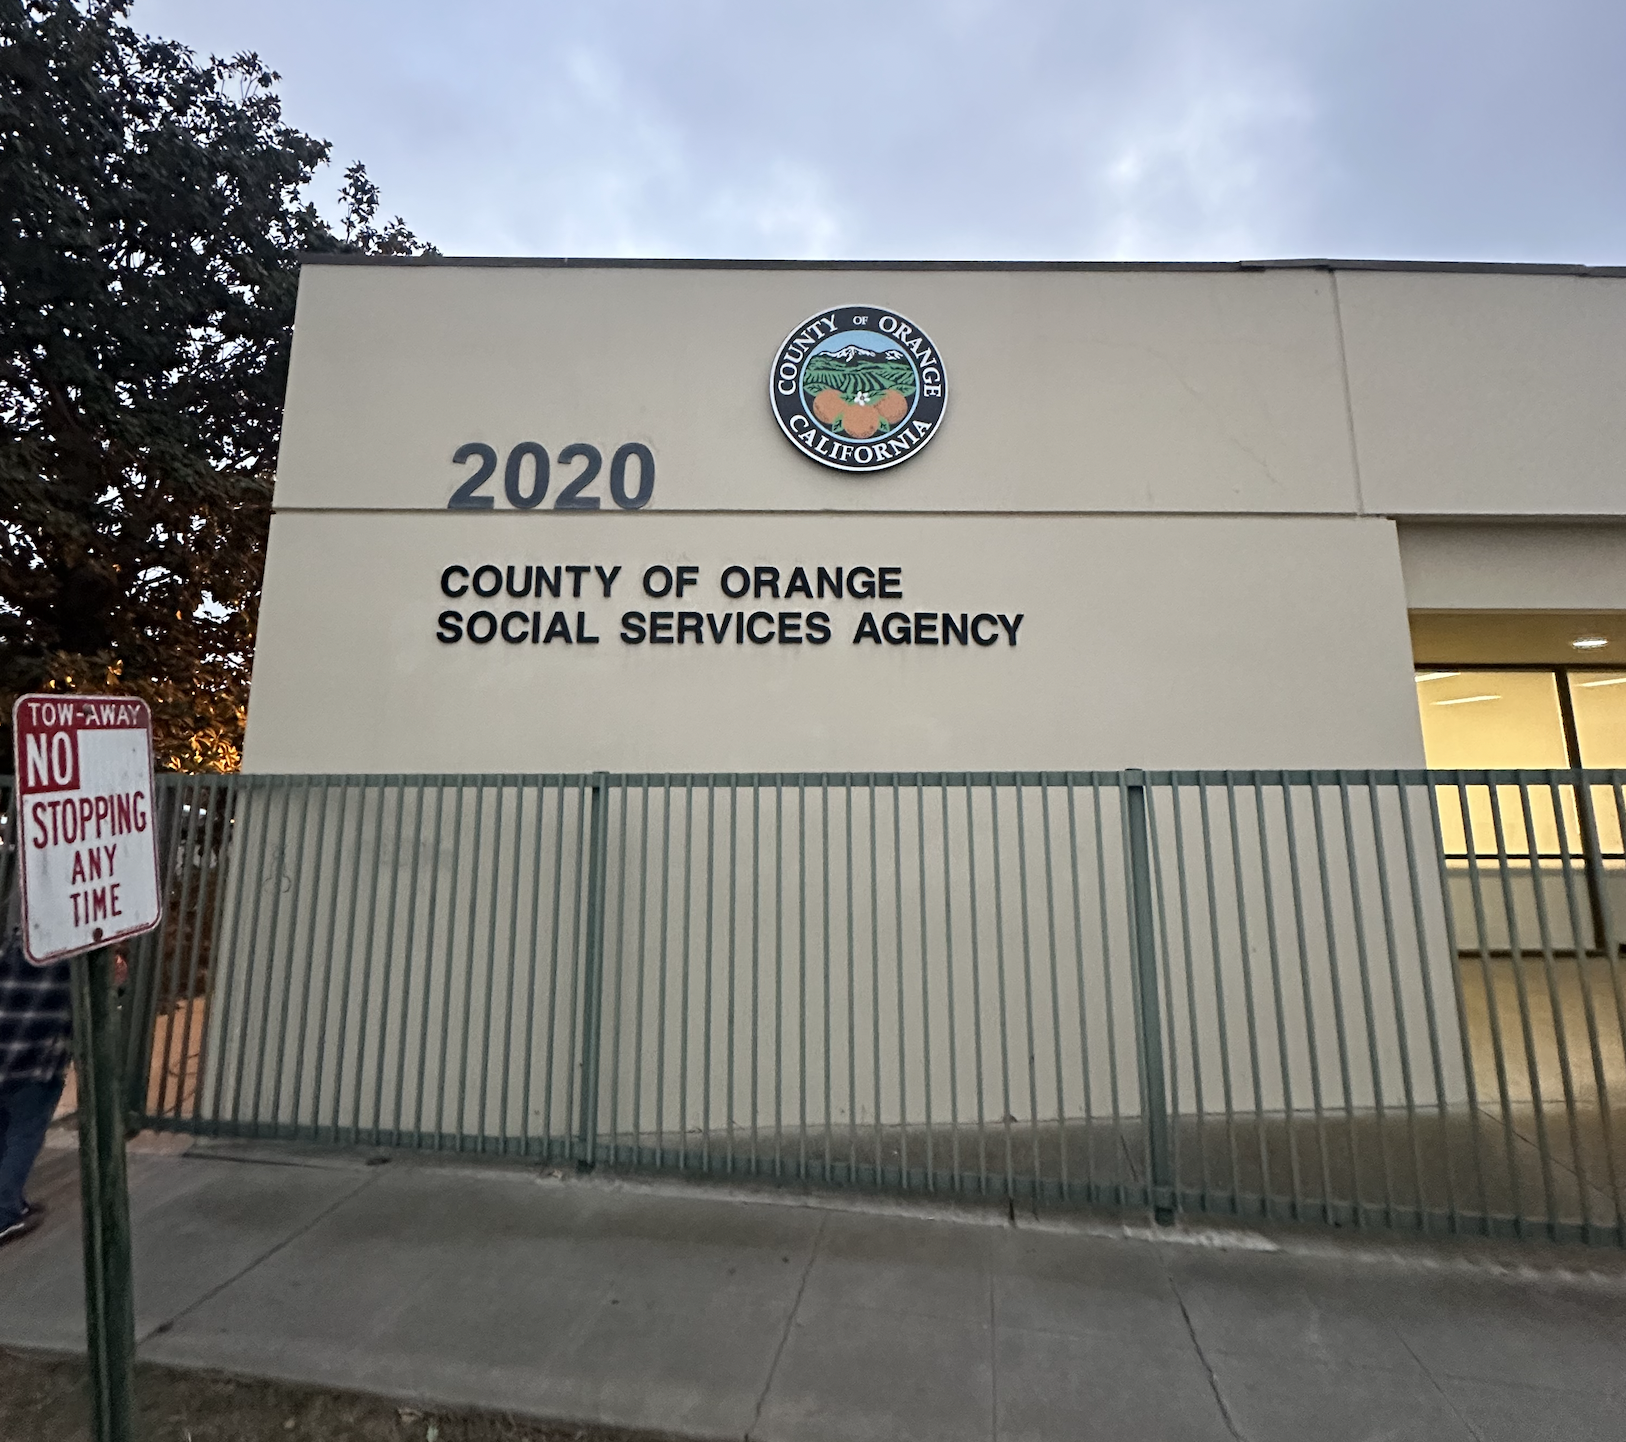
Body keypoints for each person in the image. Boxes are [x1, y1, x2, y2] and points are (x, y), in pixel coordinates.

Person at [0, 927, 74, 1246]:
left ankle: (13, 1202)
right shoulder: (71, 952)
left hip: (5, 1054)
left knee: (5, 1132)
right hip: (37, 1062)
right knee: (24, 1137)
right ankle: (4, 1214)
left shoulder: (15, 943)